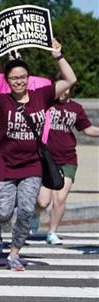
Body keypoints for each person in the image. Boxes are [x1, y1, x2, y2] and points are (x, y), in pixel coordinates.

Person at [0, 43, 77, 269]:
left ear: (28, 78)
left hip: (32, 165)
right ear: (8, 81)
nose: (19, 81)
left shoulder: (41, 96)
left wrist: (58, 55)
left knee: (25, 211)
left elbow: (70, 80)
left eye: (22, 77)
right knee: (2, 213)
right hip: (3, 164)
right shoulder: (1, 102)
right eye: (14, 78)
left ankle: (14, 253)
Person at [35, 88, 98, 244]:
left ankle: (52, 232)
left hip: (68, 159)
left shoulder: (75, 108)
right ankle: (34, 215)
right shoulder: (46, 104)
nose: (64, 92)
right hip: (47, 159)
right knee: (43, 201)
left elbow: (87, 129)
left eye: (67, 89)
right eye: (62, 88)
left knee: (60, 197)